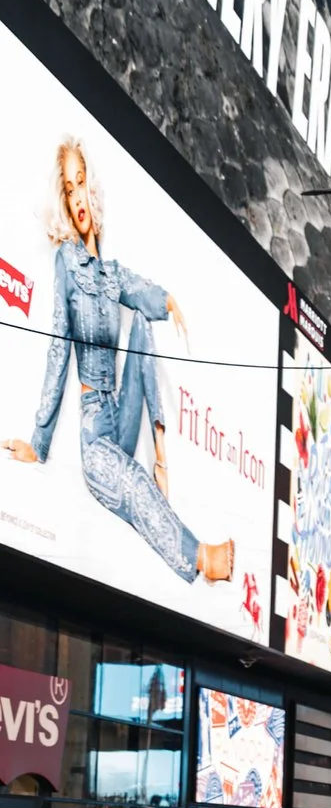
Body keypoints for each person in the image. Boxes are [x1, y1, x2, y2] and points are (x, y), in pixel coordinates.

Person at [4, 137, 239, 590]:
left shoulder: (111, 274)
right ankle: (198, 558)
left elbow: (143, 294)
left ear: (91, 188)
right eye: (68, 189)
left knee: (145, 329)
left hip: (121, 414)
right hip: (96, 437)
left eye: (81, 183)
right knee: (129, 480)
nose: (76, 198)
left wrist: (168, 300)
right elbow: (58, 345)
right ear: (64, 199)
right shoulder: (66, 265)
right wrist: (39, 440)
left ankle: (162, 459)